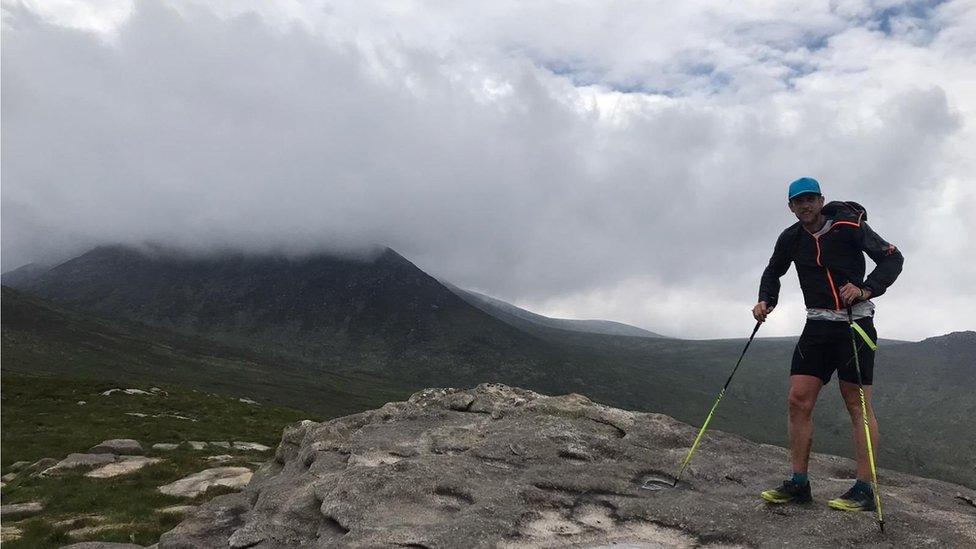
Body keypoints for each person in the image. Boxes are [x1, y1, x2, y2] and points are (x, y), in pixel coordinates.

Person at [753, 177, 904, 512]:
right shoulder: (791, 238)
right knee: (798, 400)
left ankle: (865, 489)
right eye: (798, 202)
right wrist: (766, 300)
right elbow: (772, 272)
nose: (805, 206)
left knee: (858, 406)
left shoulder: (850, 227)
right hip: (817, 325)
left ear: (821, 200)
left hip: (855, 324)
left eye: (810, 200)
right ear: (790, 206)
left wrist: (866, 289)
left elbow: (893, 259)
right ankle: (799, 484)